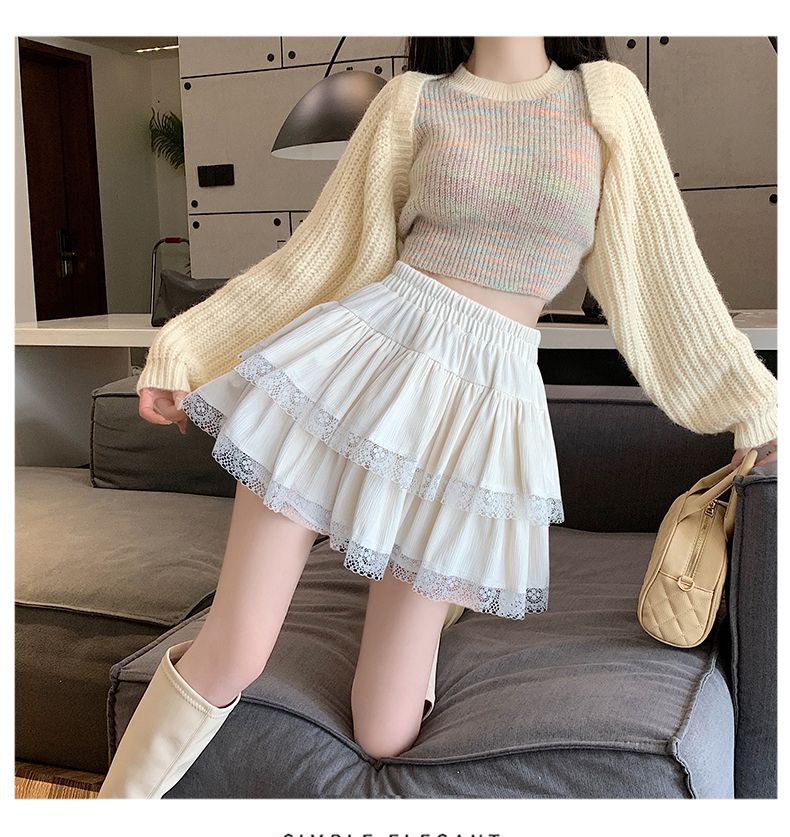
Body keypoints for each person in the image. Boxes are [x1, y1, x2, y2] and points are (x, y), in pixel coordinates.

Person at [98, 36, 778, 798]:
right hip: (353, 372)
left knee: (384, 728)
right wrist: (185, 348)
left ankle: (433, 603)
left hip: (477, 418)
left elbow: (662, 279)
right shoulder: (410, 102)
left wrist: (753, 404)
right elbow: (320, 260)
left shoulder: (606, 100)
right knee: (235, 652)